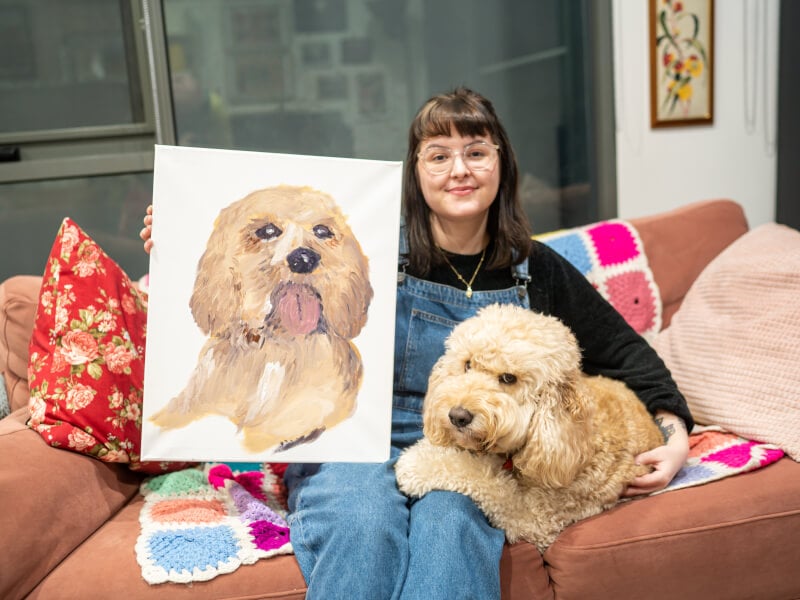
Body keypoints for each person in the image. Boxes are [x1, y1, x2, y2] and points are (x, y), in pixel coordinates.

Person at [141, 87, 692, 599]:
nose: (460, 170)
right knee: (363, 525)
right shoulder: (373, 247)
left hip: (468, 456)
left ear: (501, 163)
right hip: (353, 442)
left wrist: (673, 439)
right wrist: (177, 237)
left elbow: (633, 362)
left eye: (476, 152)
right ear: (417, 171)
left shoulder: (536, 269)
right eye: (438, 155)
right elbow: (250, 304)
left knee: (451, 527)